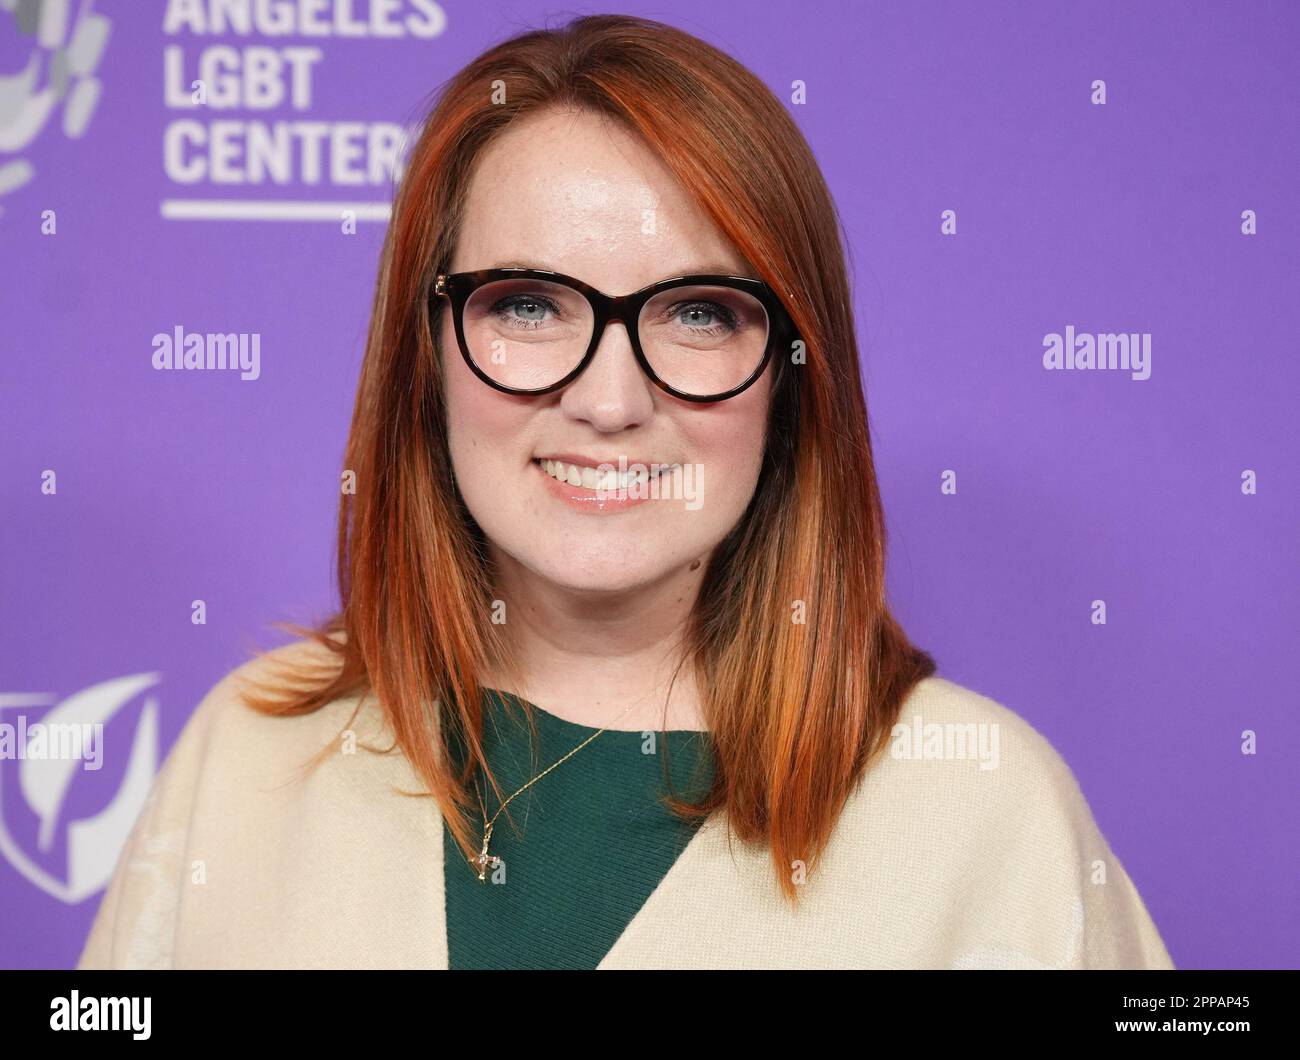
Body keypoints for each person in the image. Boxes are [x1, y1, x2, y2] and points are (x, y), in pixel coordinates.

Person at [77, 14, 1173, 970]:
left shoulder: (987, 813)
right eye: (527, 304)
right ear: (428, 352)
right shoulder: (249, 755)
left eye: (697, 312)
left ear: (795, 374)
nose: (609, 399)